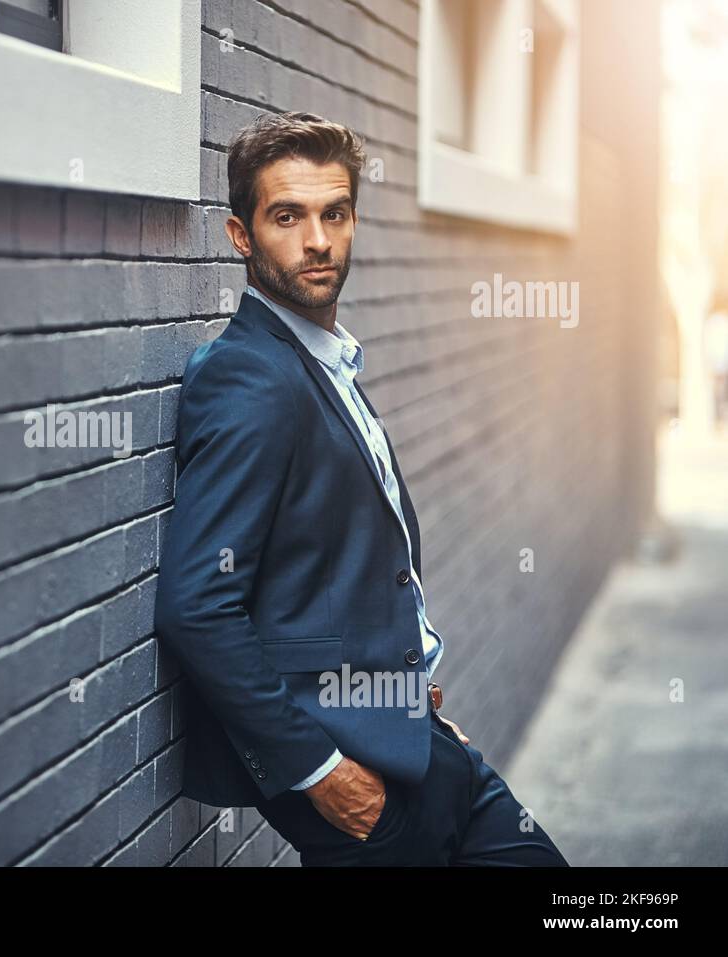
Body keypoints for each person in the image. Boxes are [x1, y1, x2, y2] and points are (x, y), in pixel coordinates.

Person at [153, 111, 568, 865]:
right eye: (287, 216)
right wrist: (323, 774)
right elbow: (196, 605)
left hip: (418, 747)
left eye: (334, 213)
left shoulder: (320, 360)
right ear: (240, 235)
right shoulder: (252, 380)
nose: (318, 240)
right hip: (360, 795)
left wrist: (410, 711)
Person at [705, 306, 728, 429]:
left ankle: (720, 421)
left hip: (720, 366)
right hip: (720, 366)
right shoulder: (717, 324)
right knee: (719, 394)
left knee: (720, 394)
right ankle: (719, 421)